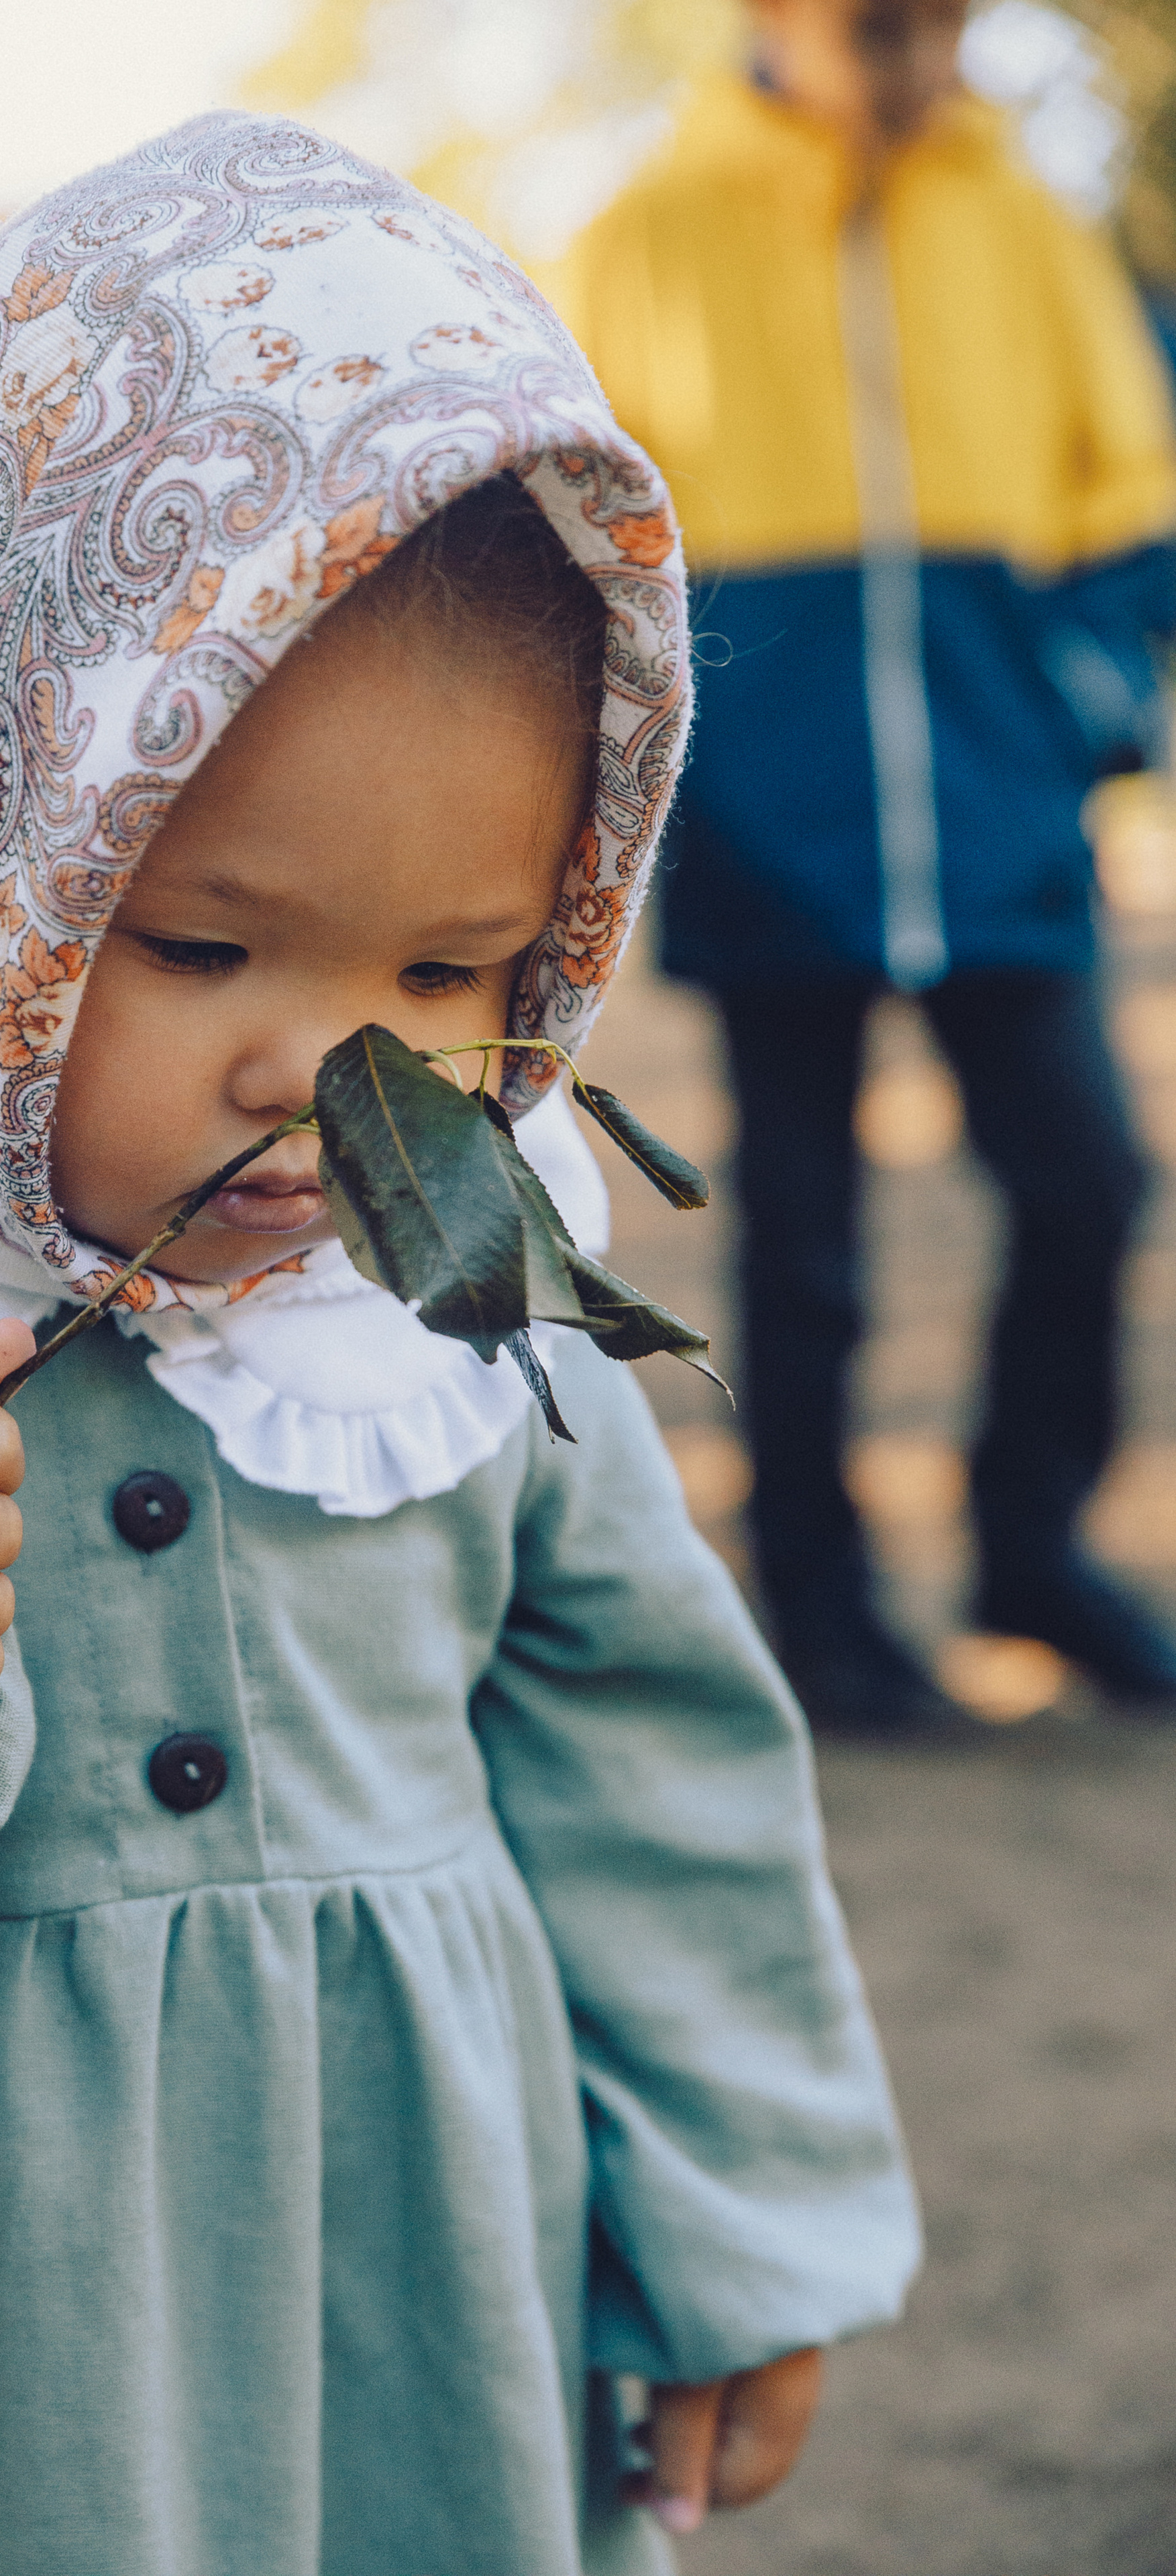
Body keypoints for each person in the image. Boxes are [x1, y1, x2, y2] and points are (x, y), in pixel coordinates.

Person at [0, 115, 917, 2575]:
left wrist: (743, 2225)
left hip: (380, 2351)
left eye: (449, 976)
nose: (323, 1075)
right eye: (209, 947)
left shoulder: (452, 1299)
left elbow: (644, 1762)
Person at [572, 0, 1176, 1734]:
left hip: (1002, 811)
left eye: (944, 26)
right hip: (775, 822)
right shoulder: (641, 238)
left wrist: (1084, 695)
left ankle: (1035, 1553)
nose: (918, 59)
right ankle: (822, 1612)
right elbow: (580, 521)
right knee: (807, 1241)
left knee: (1087, 1181)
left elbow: (1131, 487)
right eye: (880, 26)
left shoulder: (1020, 217)